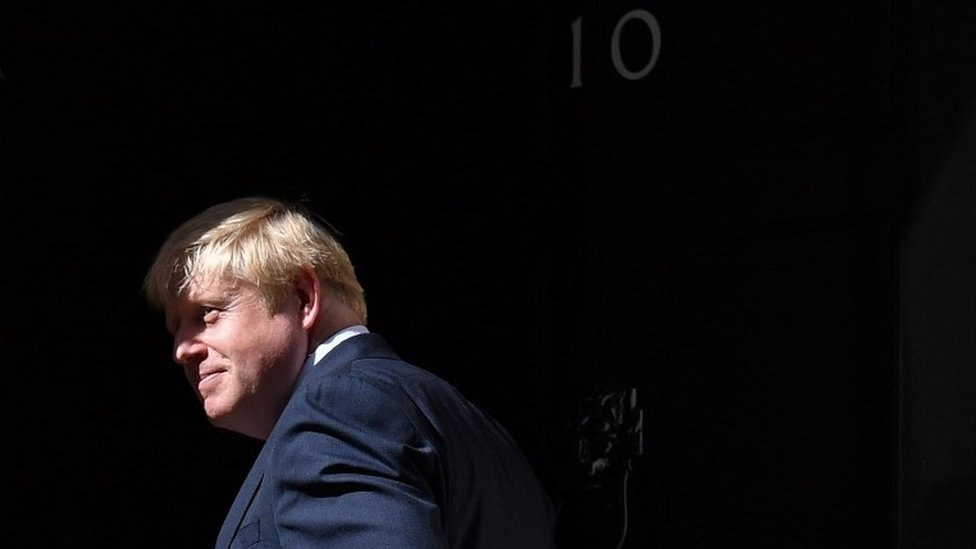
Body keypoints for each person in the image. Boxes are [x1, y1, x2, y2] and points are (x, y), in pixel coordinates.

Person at [142, 196, 557, 548]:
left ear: (303, 298)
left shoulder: (338, 409)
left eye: (207, 313)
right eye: (175, 326)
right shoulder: (476, 428)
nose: (182, 349)